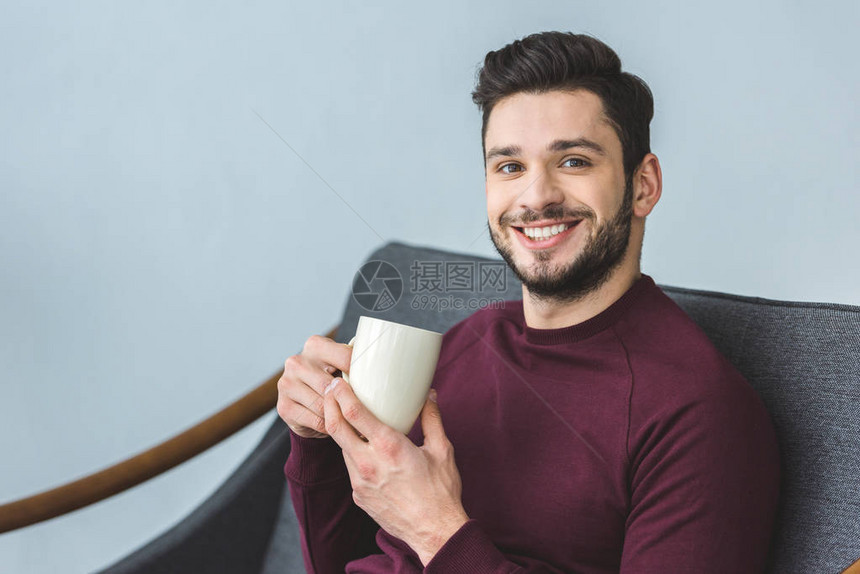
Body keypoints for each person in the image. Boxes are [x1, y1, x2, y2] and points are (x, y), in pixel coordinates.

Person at [276, 31, 780, 573]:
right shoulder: (468, 342)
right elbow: (346, 562)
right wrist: (316, 444)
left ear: (643, 185)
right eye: (510, 167)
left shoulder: (696, 411)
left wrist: (436, 529)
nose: (536, 196)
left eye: (575, 161)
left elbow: (425, 535)